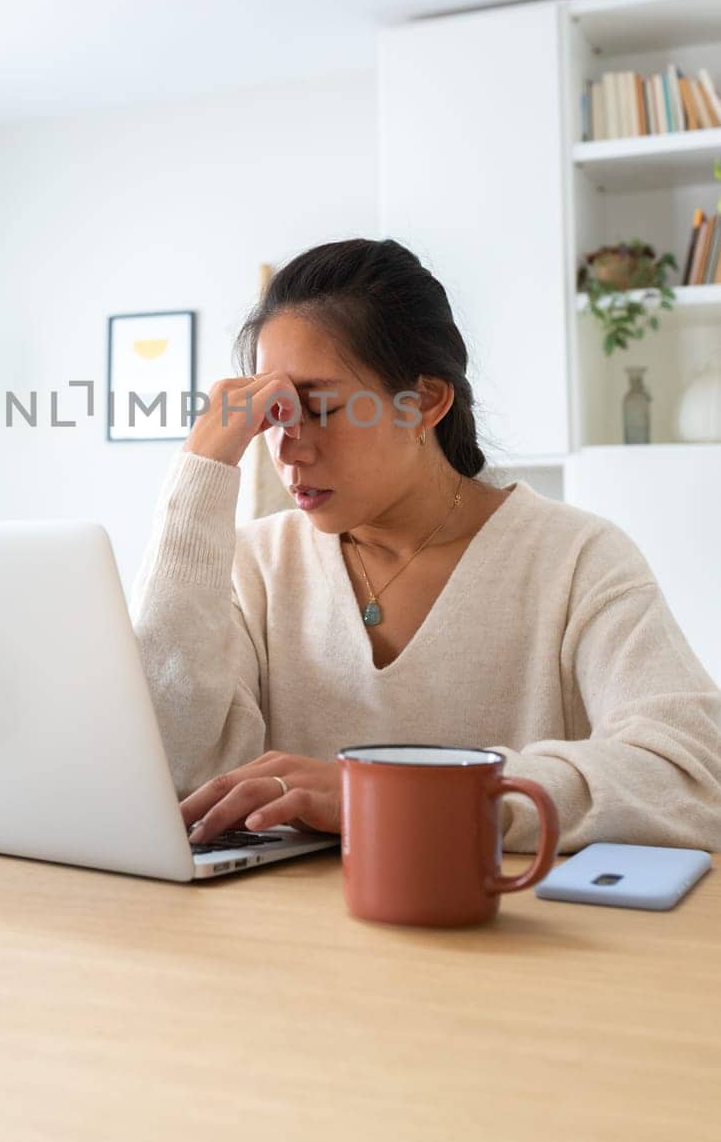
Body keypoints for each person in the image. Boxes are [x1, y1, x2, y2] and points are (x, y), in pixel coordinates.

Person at [128, 238, 721, 854]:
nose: (287, 446)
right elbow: (169, 773)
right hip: (280, 939)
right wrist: (202, 467)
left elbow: (693, 781)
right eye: (274, 414)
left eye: (320, 407)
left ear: (425, 402)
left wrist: (396, 796)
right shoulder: (254, 568)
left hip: (506, 938)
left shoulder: (576, 559)